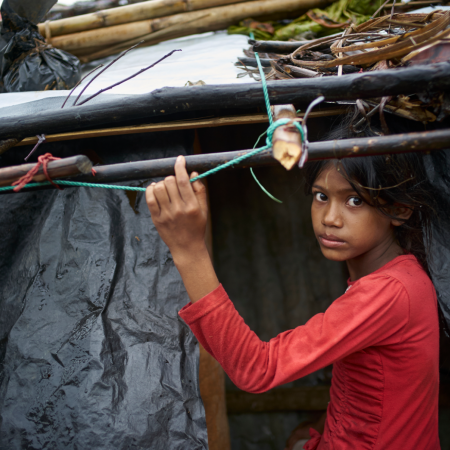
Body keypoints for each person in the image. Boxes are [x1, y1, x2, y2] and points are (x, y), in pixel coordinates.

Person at [145, 145, 441, 449]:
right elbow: (382, 392)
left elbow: (256, 369)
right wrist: (322, 427)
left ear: (400, 209)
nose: (330, 218)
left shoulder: (389, 293)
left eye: (354, 201)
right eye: (321, 196)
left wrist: (189, 249)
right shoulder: (401, 279)